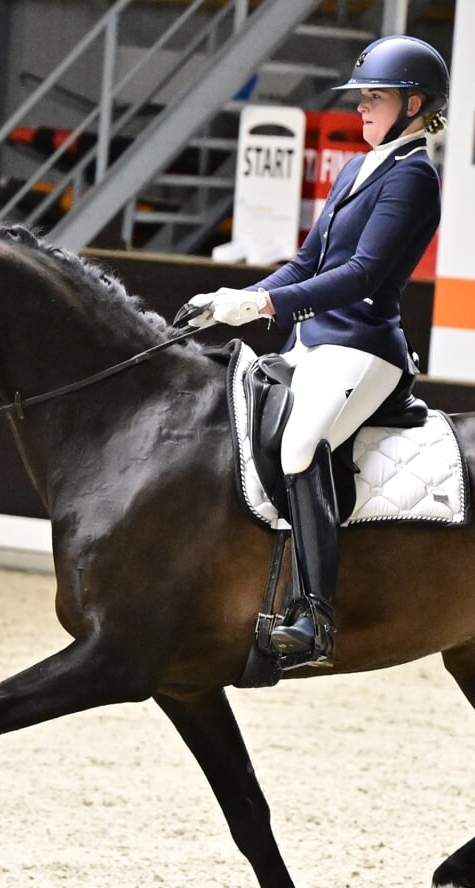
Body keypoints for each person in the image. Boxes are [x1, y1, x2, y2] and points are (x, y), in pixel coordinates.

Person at [185, 35, 447, 666]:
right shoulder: (359, 168)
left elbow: (359, 274)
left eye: (374, 99)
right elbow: (307, 261)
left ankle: (316, 616)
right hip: (315, 342)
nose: (360, 109)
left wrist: (269, 307)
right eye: (361, 98)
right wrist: (238, 295)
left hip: (365, 347)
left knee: (303, 442)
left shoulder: (414, 177)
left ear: (414, 104)